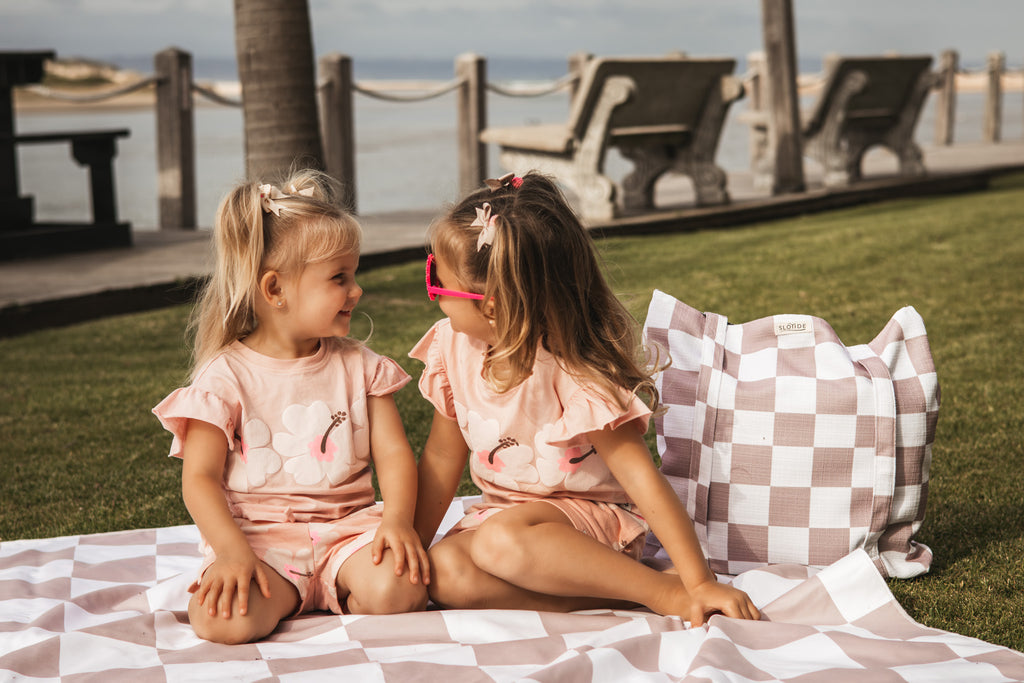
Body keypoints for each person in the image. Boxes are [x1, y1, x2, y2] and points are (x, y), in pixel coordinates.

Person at [411, 171, 759, 626]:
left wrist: (699, 582)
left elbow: (642, 481)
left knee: (499, 543)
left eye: (437, 280)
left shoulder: (572, 371)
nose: (432, 292)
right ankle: (618, 598)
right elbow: (440, 456)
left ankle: (663, 592)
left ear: (491, 305)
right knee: (443, 574)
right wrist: (410, 546)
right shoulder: (451, 347)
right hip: (504, 519)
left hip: (590, 524)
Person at [153, 170, 428, 644]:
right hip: (260, 543)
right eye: (339, 278)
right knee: (222, 621)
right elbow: (199, 479)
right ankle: (299, 592)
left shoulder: (361, 366)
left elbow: (395, 454)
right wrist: (232, 553)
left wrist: (398, 521)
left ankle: (336, 586)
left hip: (349, 533)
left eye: (353, 274)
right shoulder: (225, 378)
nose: (356, 290)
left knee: (401, 591)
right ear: (275, 289)